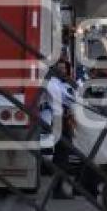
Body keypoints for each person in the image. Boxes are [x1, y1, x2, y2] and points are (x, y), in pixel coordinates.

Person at [39, 59, 77, 199]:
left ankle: (58, 187)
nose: (62, 70)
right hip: (58, 120)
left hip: (67, 120)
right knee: (62, 156)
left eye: (64, 68)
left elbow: (72, 100)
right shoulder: (51, 83)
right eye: (59, 68)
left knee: (63, 156)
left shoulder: (67, 84)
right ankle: (57, 189)